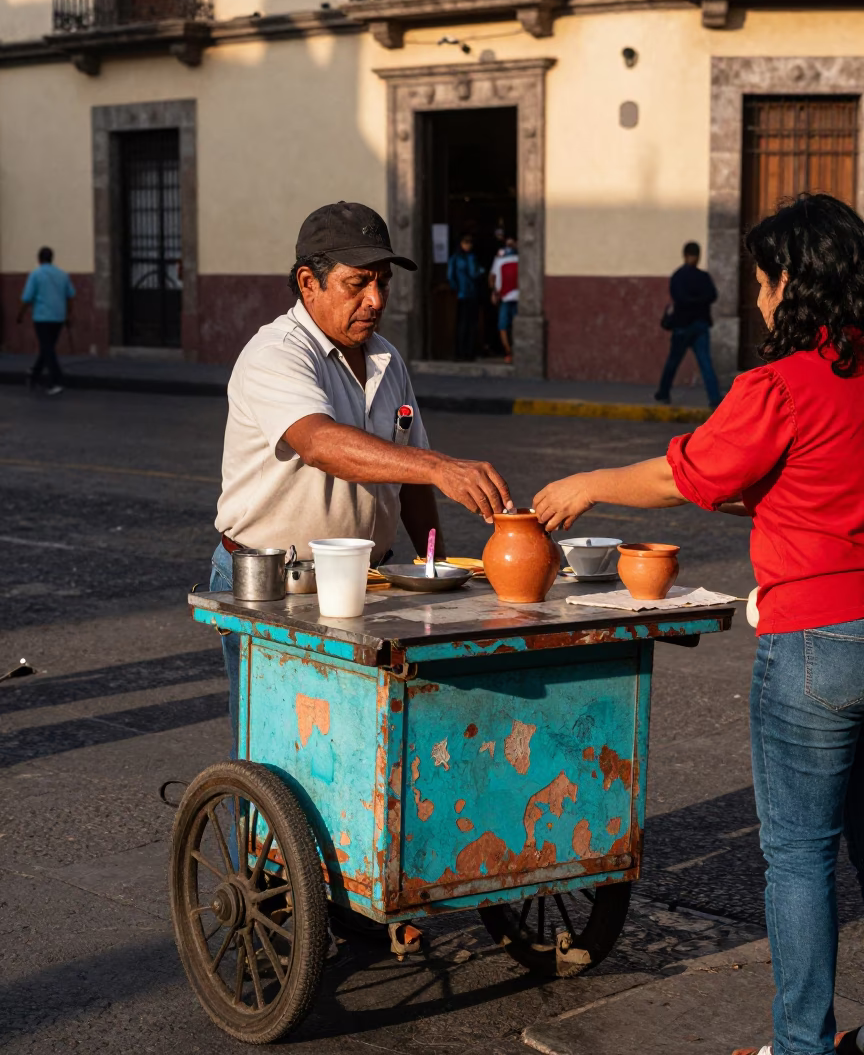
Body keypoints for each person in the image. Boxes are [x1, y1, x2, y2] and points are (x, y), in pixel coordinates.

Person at [533, 192, 864, 1055]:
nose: (757, 301)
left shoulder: (777, 387)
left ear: (792, 283)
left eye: (761, 283)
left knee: (798, 857)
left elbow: (689, 477)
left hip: (815, 644)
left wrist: (590, 482)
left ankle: (800, 1048)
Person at [211, 201, 513, 756]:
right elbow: (320, 443)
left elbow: (412, 477)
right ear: (309, 282)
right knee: (279, 752)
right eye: (357, 284)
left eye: (383, 284)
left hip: (366, 580)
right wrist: (439, 466)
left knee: (354, 751)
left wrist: (434, 577)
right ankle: (263, 845)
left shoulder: (387, 360)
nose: (374, 300)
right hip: (275, 580)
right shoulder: (275, 354)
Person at [655, 241, 722, 409]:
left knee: (673, 361)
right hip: (700, 324)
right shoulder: (703, 277)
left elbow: (679, 299)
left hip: (682, 326)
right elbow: (712, 296)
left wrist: (690, 302)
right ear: (697, 256)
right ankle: (714, 398)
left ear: (684, 255)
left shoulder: (678, 276)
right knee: (705, 363)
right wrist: (700, 302)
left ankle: (663, 393)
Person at [16, 246, 75, 396]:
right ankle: (34, 374)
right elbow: (70, 296)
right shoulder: (62, 275)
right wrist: (69, 314)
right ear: (52, 258)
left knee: (47, 348)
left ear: (39, 258)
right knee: (47, 347)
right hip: (58, 317)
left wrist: (20, 315)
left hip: (42, 317)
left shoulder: (35, 274)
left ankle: (56, 380)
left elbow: (27, 298)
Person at [447, 233, 483, 360]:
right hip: (465, 294)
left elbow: (450, 276)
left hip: (466, 294)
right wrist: (481, 271)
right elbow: (474, 273)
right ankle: (464, 353)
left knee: (467, 324)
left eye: (470, 242)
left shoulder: (456, 258)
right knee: (466, 324)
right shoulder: (466, 258)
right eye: (466, 242)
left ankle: (465, 352)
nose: (468, 245)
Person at [490, 236, 519, 363]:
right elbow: (492, 277)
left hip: (513, 297)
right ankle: (509, 351)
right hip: (507, 297)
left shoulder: (501, 259)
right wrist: (494, 292)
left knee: (506, 326)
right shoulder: (500, 260)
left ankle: (511, 352)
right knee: (504, 326)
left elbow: (491, 277)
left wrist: (494, 292)